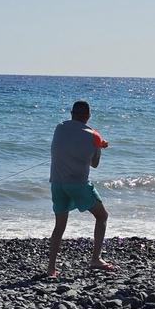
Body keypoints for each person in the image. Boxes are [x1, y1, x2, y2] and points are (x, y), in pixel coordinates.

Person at [47, 100, 113, 278]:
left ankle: (51, 268)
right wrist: (98, 146)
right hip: (78, 184)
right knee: (102, 216)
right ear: (88, 116)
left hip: (57, 183)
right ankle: (96, 259)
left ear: (71, 113)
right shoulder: (94, 136)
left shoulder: (59, 128)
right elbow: (95, 164)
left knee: (59, 225)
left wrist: (96, 141)